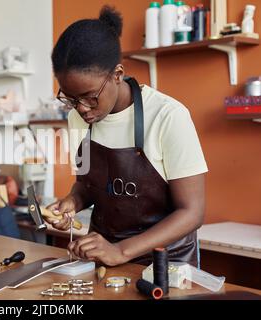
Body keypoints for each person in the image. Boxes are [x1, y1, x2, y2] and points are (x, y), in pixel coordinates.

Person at [45, 6, 208, 267]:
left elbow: (192, 212)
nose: (82, 108)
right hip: (104, 259)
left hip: (167, 264)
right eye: (71, 99)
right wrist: (73, 201)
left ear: (117, 75)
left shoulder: (168, 116)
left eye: (89, 96)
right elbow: (89, 185)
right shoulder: (78, 118)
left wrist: (121, 251)